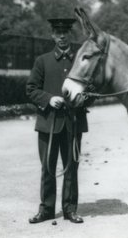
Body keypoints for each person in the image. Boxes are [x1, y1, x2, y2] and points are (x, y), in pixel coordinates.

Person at [26, 18, 88, 224]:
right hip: (48, 122)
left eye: (65, 32)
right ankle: (46, 209)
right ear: (52, 35)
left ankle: (70, 209)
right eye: (57, 32)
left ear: (71, 35)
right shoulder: (42, 61)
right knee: (48, 166)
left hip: (73, 122)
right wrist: (49, 99)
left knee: (71, 166)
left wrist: (82, 99)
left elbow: (92, 90)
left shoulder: (81, 60)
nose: (62, 36)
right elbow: (31, 89)